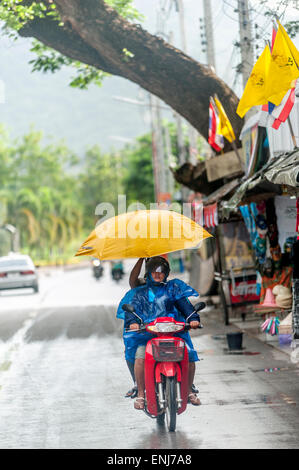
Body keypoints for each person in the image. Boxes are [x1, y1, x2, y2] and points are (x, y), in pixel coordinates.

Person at [120, 256, 202, 410]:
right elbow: (133, 309)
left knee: (189, 354)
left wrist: (193, 318)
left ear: (166, 273)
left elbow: (185, 306)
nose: (158, 274)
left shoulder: (172, 289)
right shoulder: (140, 292)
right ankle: (141, 395)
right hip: (146, 335)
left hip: (172, 334)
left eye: (161, 271)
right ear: (148, 273)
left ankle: (189, 390)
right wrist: (133, 322)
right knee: (139, 357)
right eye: (154, 271)